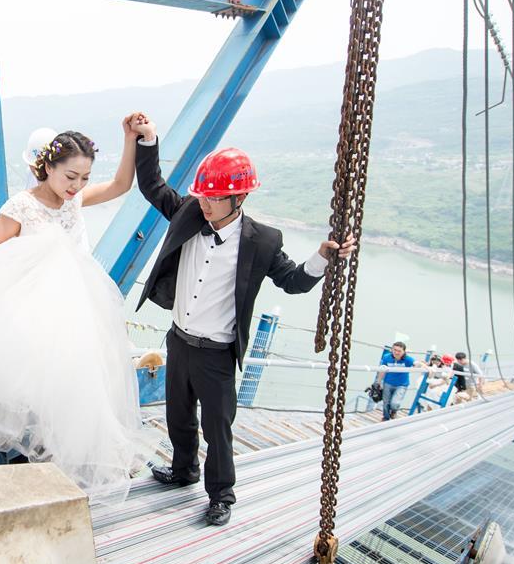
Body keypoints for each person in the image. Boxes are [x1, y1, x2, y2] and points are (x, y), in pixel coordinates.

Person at [130, 113, 356, 526]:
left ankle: (221, 495)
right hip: (179, 340)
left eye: (213, 198)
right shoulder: (188, 212)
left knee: (219, 429)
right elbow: (152, 186)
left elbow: (292, 281)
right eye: (202, 196)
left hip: (216, 353)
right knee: (178, 416)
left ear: (240, 199)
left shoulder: (263, 241)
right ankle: (183, 471)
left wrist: (322, 257)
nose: (204, 203)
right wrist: (148, 140)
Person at [0, 115, 148, 505]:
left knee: (79, 397)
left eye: (84, 178)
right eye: (70, 176)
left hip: (79, 315)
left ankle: (70, 483)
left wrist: (129, 140)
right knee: (35, 403)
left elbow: (122, 185)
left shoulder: (75, 203)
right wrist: (36, 259)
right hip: (34, 319)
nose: (77, 187)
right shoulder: (21, 207)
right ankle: (31, 486)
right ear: (48, 167)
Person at [375, 341, 415, 421]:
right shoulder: (387, 357)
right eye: (394, 350)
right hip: (388, 383)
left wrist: (427, 367)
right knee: (386, 402)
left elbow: (416, 363)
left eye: (399, 351)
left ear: (404, 352)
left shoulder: (407, 359)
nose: (396, 352)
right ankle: (386, 417)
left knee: (395, 403)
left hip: (401, 385)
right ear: (392, 350)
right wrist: (378, 382)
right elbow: (382, 370)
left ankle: (394, 411)